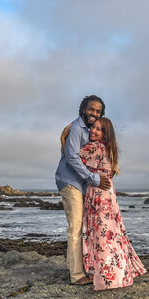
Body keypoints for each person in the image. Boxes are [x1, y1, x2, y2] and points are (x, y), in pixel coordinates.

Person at [79, 117, 146, 290]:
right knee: (113, 233)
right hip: (109, 194)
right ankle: (120, 272)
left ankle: (108, 277)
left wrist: (64, 139)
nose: (93, 131)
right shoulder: (109, 150)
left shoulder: (95, 148)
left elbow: (72, 157)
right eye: (93, 127)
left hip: (99, 194)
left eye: (98, 129)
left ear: (105, 134)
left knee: (102, 234)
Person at [55, 95, 111, 285]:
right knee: (76, 227)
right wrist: (93, 179)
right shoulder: (77, 128)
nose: (93, 113)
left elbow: (79, 155)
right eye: (91, 109)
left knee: (85, 227)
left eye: (97, 111)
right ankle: (76, 275)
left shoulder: (90, 131)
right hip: (70, 181)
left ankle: (85, 268)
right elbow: (72, 159)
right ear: (83, 109)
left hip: (82, 184)